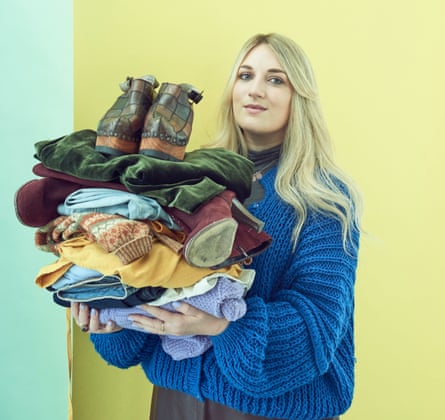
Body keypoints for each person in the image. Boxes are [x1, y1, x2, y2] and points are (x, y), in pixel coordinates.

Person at [72, 32, 362, 420]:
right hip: (176, 402)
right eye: (245, 75)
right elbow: (154, 283)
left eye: (275, 80)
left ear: (300, 97)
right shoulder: (188, 179)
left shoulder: (323, 199)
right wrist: (116, 318)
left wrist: (224, 326)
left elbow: (319, 324)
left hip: (273, 409)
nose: (255, 90)